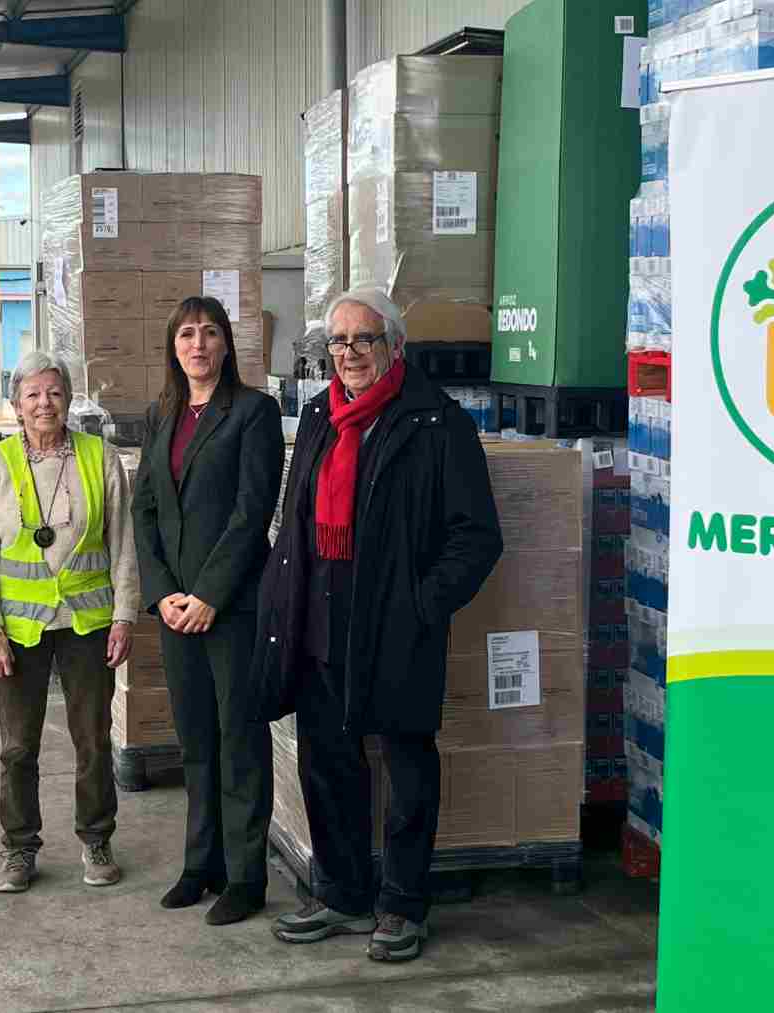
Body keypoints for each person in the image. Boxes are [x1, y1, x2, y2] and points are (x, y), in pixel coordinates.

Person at [252, 287, 502, 962]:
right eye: (338, 341)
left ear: (393, 346)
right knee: (328, 759)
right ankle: (342, 892)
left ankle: (401, 903)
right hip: (320, 616)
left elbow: (476, 535)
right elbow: (296, 517)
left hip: (395, 621)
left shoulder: (435, 423)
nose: (350, 353)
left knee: (407, 762)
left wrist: (422, 603)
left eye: (364, 339)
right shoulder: (317, 417)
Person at [132, 297, 284, 925]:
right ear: (173, 346)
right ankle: (202, 864)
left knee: (239, 740)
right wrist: (163, 591)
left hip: (232, 608)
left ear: (226, 345)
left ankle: (247, 877)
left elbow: (254, 513)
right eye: (187, 334)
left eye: (210, 333)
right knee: (195, 739)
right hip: (176, 611)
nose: (198, 344)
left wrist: (209, 596)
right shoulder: (159, 415)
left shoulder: (253, 412)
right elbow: (144, 511)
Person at [0, 350, 140, 894]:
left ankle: (96, 839)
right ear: (17, 404)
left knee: (92, 738)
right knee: (18, 745)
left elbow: (122, 546)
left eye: (55, 393)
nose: (45, 404)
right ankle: (19, 848)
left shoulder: (99, 456)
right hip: (19, 630)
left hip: (88, 622)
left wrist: (126, 614)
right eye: (33, 394)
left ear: (68, 399)